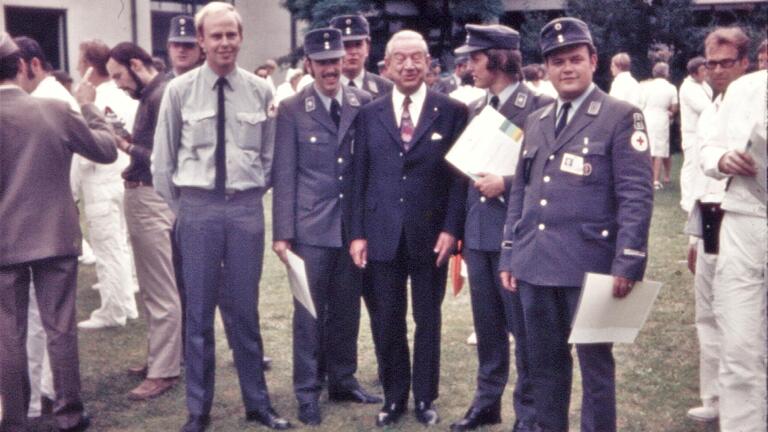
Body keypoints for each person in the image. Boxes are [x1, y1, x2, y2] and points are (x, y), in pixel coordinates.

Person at [498, 18, 653, 432]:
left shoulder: (621, 116)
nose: (567, 69)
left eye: (575, 60)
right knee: (545, 367)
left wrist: (629, 261)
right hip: (535, 264)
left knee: (596, 370)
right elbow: (522, 192)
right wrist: (510, 252)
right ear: (546, 68)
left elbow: (636, 196)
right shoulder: (537, 119)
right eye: (557, 62)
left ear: (593, 61)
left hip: (592, 265)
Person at [152, 3, 290, 431]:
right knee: (198, 316)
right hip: (197, 211)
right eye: (216, 36)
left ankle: (259, 405)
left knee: (245, 311)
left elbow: (270, 158)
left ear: (241, 38)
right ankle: (198, 411)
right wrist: (188, 211)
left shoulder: (260, 91)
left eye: (232, 34)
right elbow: (162, 164)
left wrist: (246, 198)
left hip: (245, 209)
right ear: (201, 40)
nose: (225, 43)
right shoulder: (179, 92)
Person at [349, 29, 469, 427]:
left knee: (427, 318)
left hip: (431, 236)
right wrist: (357, 233)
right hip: (381, 234)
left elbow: (458, 179)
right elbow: (358, 177)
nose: (409, 65)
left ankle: (425, 398)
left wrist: (452, 230)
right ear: (386, 65)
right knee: (386, 319)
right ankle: (394, 396)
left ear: (429, 63)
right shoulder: (368, 114)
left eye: (417, 57)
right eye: (400, 58)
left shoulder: (451, 111)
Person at [0, 31, 118, 432]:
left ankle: (14, 419)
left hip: (4, 242)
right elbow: (106, 150)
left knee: (9, 334)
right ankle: (69, 414)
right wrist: (89, 108)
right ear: (20, 66)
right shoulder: (53, 108)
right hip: (55, 237)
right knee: (60, 330)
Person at [272, 27, 381, 426]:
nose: (330, 69)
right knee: (309, 313)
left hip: (351, 228)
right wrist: (283, 233)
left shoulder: (363, 102)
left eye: (335, 61)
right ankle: (306, 391)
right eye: (322, 63)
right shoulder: (292, 108)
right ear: (309, 65)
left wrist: (365, 226)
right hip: (310, 228)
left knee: (348, 310)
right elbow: (284, 174)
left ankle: (342, 379)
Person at [450, 24, 553, 432]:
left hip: (517, 237)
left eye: (475, 59)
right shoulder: (476, 108)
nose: (468, 66)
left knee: (522, 330)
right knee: (488, 327)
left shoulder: (539, 106)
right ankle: (486, 402)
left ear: (498, 58)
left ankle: (527, 412)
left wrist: (505, 184)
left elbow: (545, 176)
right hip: (478, 236)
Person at [105, 42, 183, 401]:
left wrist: (122, 143)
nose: (119, 84)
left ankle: (164, 369)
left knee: (159, 288)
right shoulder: (157, 93)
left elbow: (161, 156)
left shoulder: (160, 95)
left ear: (136, 64)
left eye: (119, 75)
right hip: (153, 198)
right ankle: (161, 357)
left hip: (149, 197)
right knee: (159, 286)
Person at [683, 26, 751, 424]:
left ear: (744, 63)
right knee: (707, 311)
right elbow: (697, 173)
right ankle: (714, 397)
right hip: (707, 215)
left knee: (740, 314)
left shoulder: (755, 107)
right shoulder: (710, 108)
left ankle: (743, 400)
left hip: (742, 218)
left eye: (727, 63)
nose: (718, 71)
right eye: (711, 64)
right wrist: (693, 233)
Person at [699, 28, 766, 432]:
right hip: (742, 219)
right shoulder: (741, 93)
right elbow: (707, 148)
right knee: (739, 344)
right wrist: (723, 158)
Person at [13, 35, 81, 422]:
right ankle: (42, 394)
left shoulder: (52, 101)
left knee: (42, 321)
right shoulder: (48, 100)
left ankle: (41, 397)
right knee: (45, 321)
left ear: (32, 64)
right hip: (45, 221)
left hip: (43, 221)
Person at [73, 38, 140, 330]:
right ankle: (125, 304)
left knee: (107, 248)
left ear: (88, 65)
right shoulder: (124, 96)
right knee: (120, 246)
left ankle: (114, 310)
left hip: (100, 179)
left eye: (80, 60)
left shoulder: (90, 101)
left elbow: (83, 148)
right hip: (123, 177)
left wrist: (72, 190)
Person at [329, 14, 393, 99]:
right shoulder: (324, 89)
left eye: (358, 44)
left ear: (367, 47)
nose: (353, 52)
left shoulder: (386, 88)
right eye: (345, 45)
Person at [678, 56, 712, 212]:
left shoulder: (704, 85)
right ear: (693, 73)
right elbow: (705, 108)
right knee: (690, 165)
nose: (706, 72)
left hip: (703, 131)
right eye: (702, 70)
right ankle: (687, 201)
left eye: (706, 69)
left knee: (701, 166)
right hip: (692, 133)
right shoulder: (688, 88)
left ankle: (698, 196)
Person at [640, 62, 678, 189]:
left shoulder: (645, 86)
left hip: (646, 116)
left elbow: (641, 103)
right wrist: (670, 113)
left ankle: (646, 178)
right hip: (662, 117)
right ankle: (655, 180)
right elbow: (674, 107)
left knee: (647, 147)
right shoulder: (671, 88)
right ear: (666, 73)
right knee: (659, 149)